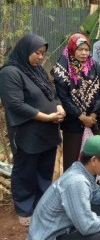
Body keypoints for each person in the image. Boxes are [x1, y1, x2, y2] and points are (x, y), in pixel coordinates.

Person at [27, 135, 100, 239]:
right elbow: (87, 226)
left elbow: (95, 194)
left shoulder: (81, 170)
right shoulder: (76, 182)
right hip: (50, 236)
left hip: (63, 225)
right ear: (94, 160)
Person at [0, 34, 64, 226]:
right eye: (37, 53)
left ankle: (42, 203)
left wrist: (59, 107)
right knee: (25, 170)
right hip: (27, 131)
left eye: (43, 54)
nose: (40, 57)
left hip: (48, 131)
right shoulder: (10, 73)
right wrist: (46, 117)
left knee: (45, 168)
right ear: (25, 50)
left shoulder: (37, 71)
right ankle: (25, 208)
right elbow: (15, 104)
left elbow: (51, 93)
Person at [51, 33, 100, 171]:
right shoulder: (62, 70)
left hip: (94, 120)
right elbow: (63, 97)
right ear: (71, 49)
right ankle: (72, 188)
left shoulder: (95, 66)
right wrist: (81, 117)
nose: (84, 53)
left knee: (95, 156)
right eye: (80, 49)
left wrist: (93, 115)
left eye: (86, 50)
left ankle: (94, 186)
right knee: (72, 157)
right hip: (73, 121)